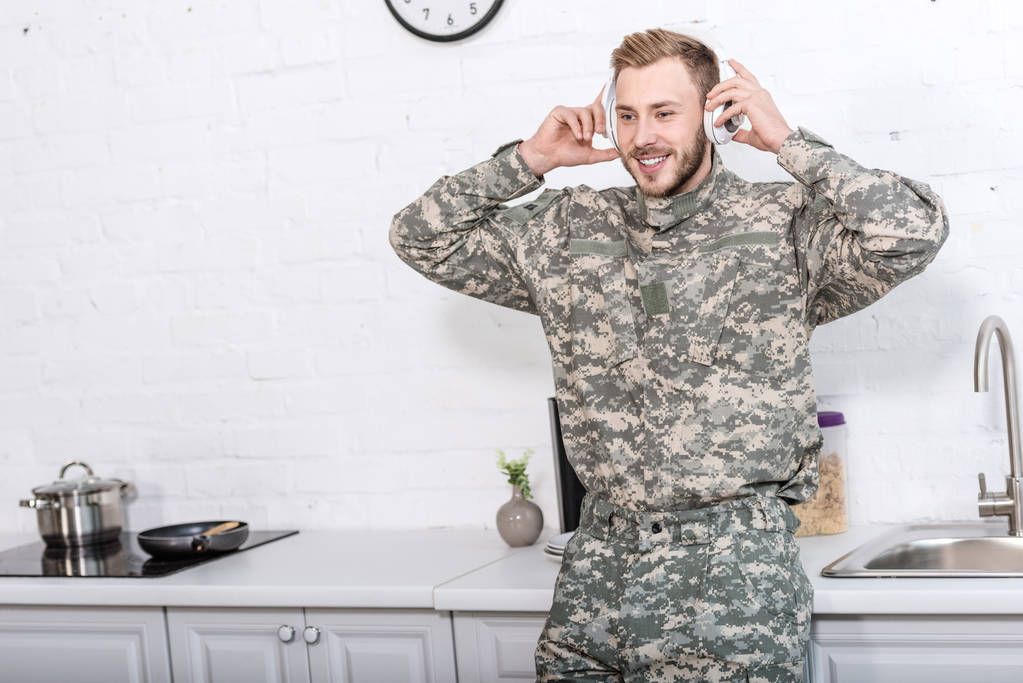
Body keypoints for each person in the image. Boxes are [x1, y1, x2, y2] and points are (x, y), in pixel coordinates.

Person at [389, 27, 949, 683]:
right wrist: (527, 160)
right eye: (626, 114)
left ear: (712, 114)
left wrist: (789, 144)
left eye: (663, 113)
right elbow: (419, 235)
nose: (642, 136)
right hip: (594, 569)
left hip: (731, 579)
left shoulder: (782, 223)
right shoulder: (569, 229)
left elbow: (911, 230)